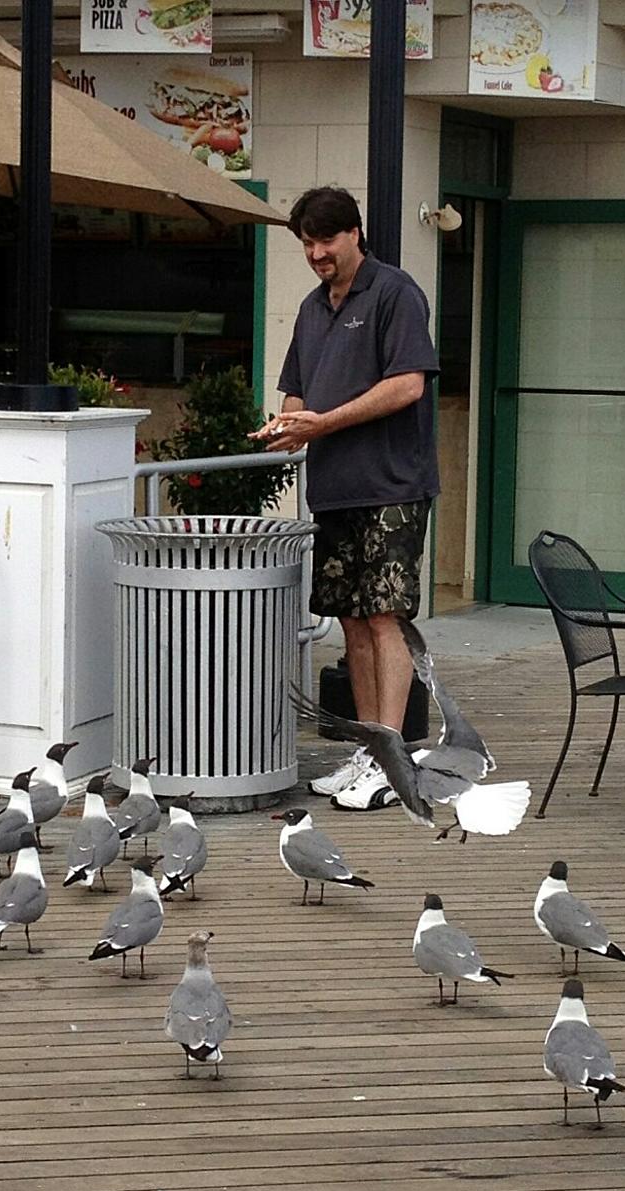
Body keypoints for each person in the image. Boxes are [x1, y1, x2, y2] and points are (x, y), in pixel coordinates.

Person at [251, 186, 440, 811]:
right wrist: (287, 426)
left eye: (325, 240)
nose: (316, 253)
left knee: (385, 617)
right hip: (334, 487)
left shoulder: (396, 292)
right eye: (307, 243)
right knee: (352, 621)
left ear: (355, 233)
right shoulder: (310, 307)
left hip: (392, 485)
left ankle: (394, 760)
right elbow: (298, 392)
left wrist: (322, 424)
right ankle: (368, 748)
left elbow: (408, 385)